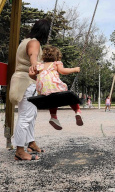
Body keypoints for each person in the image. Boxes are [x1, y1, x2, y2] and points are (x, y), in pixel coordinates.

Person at [9, 19, 50, 161]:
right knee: (26, 117)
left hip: (21, 81)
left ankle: (31, 143)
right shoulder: (34, 43)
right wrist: (36, 66)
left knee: (31, 115)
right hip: (26, 82)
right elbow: (33, 58)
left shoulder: (24, 41)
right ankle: (19, 151)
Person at [33, 45, 82, 130]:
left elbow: (33, 75)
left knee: (53, 100)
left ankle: (53, 117)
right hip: (54, 87)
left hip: (43, 90)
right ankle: (77, 111)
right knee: (69, 96)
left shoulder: (40, 65)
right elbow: (63, 71)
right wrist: (74, 69)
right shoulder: (56, 64)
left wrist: (31, 74)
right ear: (57, 56)